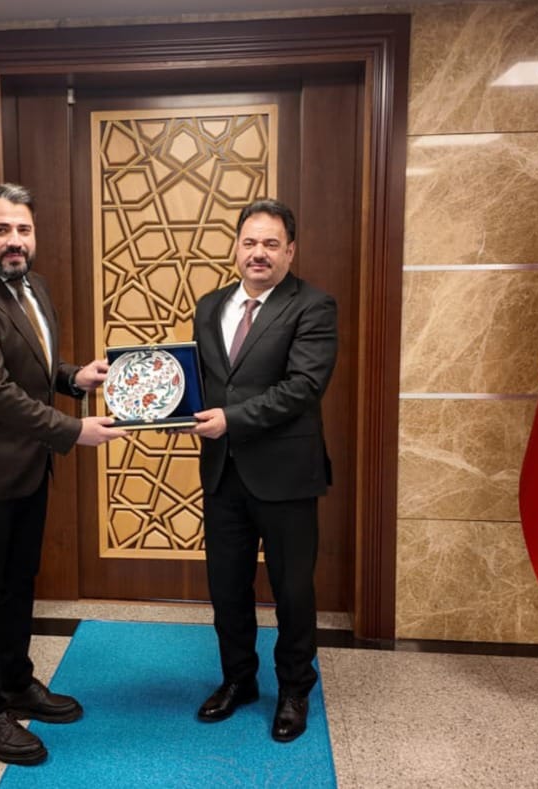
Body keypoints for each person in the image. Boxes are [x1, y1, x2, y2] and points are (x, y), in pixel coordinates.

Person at [0, 182, 125, 766]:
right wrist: (73, 429)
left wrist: (72, 377)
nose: (14, 240)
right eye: (1, 230)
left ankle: (17, 682)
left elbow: (31, 367)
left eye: (23, 229)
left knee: (19, 584)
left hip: (29, 467)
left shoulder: (32, 286)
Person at [185, 198, 337, 743]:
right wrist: (167, 406)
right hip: (222, 472)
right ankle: (238, 680)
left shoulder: (313, 306)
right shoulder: (209, 306)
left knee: (292, 591)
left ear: (289, 251)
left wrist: (231, 420)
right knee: (227, 587)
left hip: (286, 473)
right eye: (250, 242)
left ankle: (295, 688)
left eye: (271, 244)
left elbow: (303, 387)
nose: (259, 253)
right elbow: (200, 380)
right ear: (235, 248)